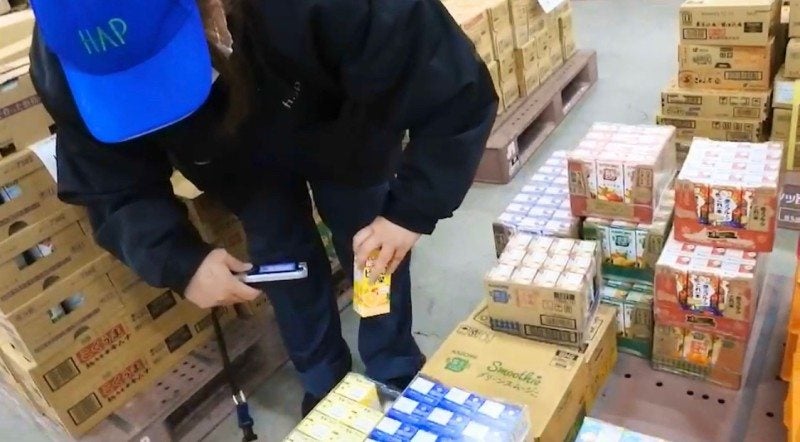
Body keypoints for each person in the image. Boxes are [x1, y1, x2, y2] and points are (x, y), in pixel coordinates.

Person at [28, 0, 497, 414]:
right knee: (281, 258)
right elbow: (108, 180)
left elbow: (453, 90)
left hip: (344, 118)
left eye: (158, 64)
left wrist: (408, 213)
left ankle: (392, 365)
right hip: (229, 153)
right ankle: (323, 382)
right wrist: (179, 261)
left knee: (372, 245)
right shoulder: (69, 38)